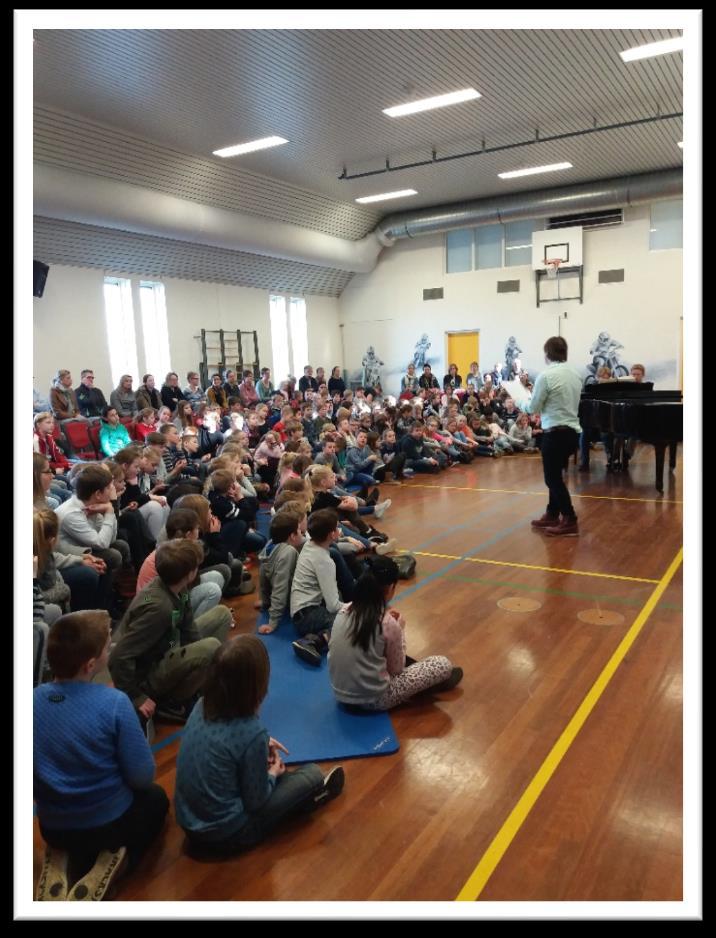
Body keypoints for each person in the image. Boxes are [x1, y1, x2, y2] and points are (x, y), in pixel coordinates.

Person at [33, 611, 169, 901]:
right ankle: (115, 865)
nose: (110, 650)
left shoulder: (31, 701)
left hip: (52, 826)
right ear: (91, 664)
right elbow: (142, 776)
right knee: (157, 800)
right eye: (107, 647)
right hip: (108, 826)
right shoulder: (114, 703)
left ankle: (61, 855)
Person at [174, 636, 344, 854]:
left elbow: (224, 747)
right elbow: (256, 801)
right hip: (228, 835)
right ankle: (307, 796)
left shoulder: (202, 704)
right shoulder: (251, 731)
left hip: (189, 824)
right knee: (311, 775)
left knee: (272, 774)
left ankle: (291, 792)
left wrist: (261, 746)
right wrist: (272, 773)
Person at [109, 539, 233, 724]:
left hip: (167, 646)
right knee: (212, 647)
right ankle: (171, 701)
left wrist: (199, 655)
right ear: (190, 573)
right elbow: (119, 656)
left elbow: (188, 628)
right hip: (147, 673)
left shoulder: (177, 587)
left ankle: (203, 683)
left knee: (222, 615)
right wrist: (136, 696)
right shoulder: (160, 608)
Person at [328, 556, 462, 709]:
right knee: (442, 664)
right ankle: (429, 686)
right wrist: (400, 630)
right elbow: (396, 670)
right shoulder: (387, 623)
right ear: (391, 587)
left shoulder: (343, 611)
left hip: (340, 694)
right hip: (374, 700)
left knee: (379, 653)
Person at [525, 336, 582, 537]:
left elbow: (533, 407)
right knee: (556, 474)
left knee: (552, 479)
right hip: (572, 433)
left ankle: (569, 519)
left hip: (555, 433)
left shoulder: (546, 376)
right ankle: (552, 512)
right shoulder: (576, 374)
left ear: (547, 354)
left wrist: (520, 402)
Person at [258, 508, 306, 634]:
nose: (302, 533)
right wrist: (272, 622)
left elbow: (263, 578)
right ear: (292, 536)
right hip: (296, 601)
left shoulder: (270, 544)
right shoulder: (288, 553)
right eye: (299, 531)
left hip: (283, 599)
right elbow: (281, 586)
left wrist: (265, 602)